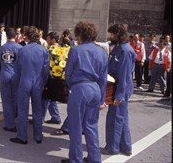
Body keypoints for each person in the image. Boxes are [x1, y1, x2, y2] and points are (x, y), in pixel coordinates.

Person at [61, 21, 108, 163]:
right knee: (91, 125)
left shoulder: (76, 50)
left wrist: (72, 86)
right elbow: (103, 78)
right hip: (95, 89)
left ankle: (75, 159)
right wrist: (102, 99)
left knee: (75, 126)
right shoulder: (101, 52)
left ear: (80, 34)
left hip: (80, 88)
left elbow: (68, 74)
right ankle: (95, 158)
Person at [10, 26, 49, 145]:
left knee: (23, 110)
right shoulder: (43, 50)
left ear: (27, 36)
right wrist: (43, 82)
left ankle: (22, 136)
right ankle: (38, 136)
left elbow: (18, 68)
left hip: (25, 81)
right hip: (37, 82)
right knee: (37, 109)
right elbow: (46, 70)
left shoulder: (22, 50)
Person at [102, 24, 136, 157]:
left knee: (115, 118)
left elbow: (125, 75)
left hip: (120, 88)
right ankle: (126, 146)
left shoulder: (125, 51)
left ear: (119, 35)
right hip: (118, 86)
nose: (111, 36)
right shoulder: (119, 48)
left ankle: (113, 147)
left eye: (112, 34)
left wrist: (119, 95)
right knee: (122, 118)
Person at [0, 27, 22, 132]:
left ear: (6, 36)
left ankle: (9, 124)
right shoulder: (20, 48)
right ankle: (16, 118)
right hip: (16, 75)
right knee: (16, 98)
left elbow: (1, 60)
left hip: (5, 74)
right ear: (15, 36)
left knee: (6, 100)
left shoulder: (2, 48)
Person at [42, 32, 62, 125]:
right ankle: (56, 116)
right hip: (57, 77)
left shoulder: (50, 50)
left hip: (50, 77)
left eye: (48, 38)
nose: (47, 40)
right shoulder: (62, 49)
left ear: (53, 39)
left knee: (45, 98)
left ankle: (40, 118)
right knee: (52, 98)